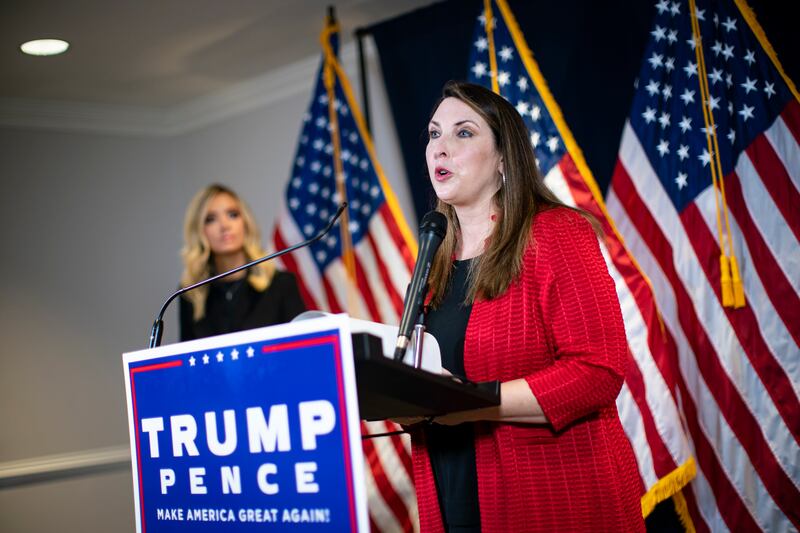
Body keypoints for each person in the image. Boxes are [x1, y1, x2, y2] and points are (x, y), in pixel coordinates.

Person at [406, 81, 645, 532]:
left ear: (502, 158)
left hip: (555, 498)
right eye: (434, 134)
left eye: (463, 133)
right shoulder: (431, 261)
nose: (440, 148)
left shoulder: (557, 233)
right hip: (453, 494)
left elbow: (599, 371)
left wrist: (473, 403)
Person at [178, 184, 306, 341]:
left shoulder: (281, 284)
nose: (225, 226)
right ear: (199, 231)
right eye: (211, 219)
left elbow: (301, 348)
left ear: (245, 223)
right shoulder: (192, 293)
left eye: (232, 215)